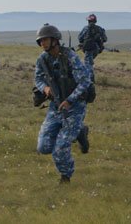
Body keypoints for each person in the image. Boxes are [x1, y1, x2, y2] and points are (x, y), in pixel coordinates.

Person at [34, 24, 92, 184]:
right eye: (40, 41)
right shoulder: (43, 59)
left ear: (55, 40)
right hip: (55, 106)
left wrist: (70, 100)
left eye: (45, 40)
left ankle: (65, 177)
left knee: (60, 147)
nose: (42, 43)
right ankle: (80, 131)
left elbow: (85, 81)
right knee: (43, 147)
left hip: (74, 107)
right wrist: (45, 88)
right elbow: (38, 78)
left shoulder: (70, 57)